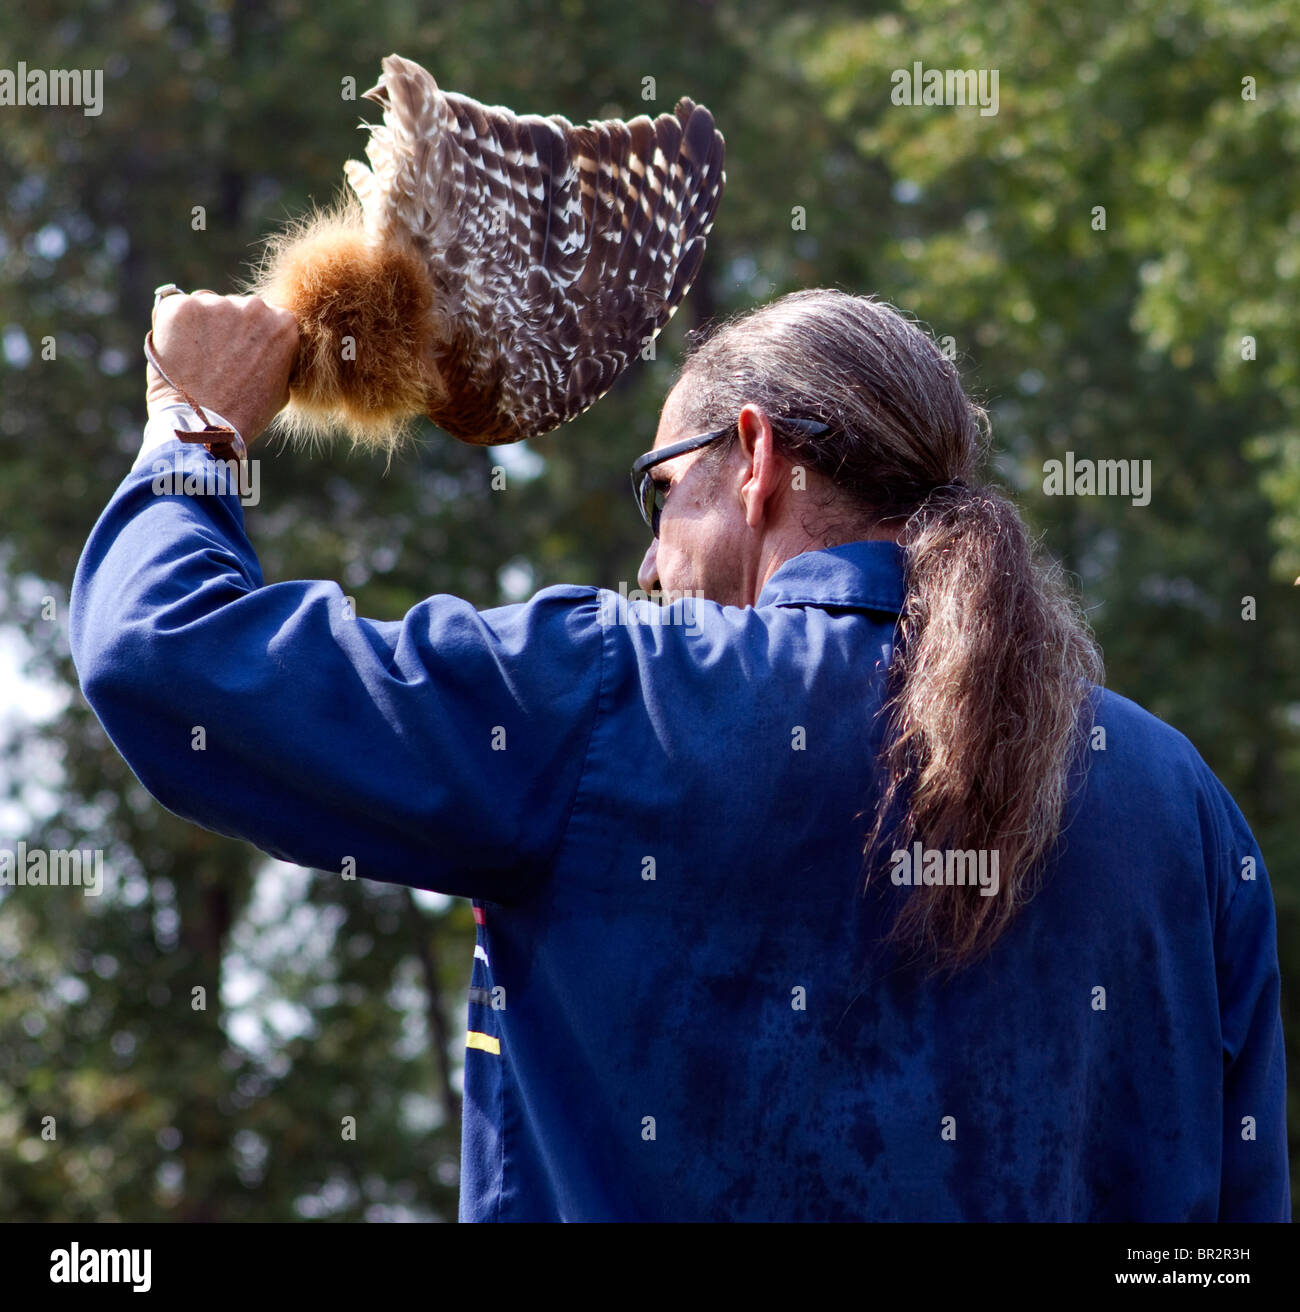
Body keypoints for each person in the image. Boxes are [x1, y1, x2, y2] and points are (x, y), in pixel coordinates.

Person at [70, 286, 1289, 1222]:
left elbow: (164, 659)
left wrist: (195, 426)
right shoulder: (1182, 809)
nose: (650, 565)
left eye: (660, 495)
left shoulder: (618, 703)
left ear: (751, 459)